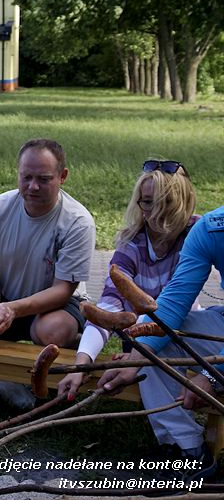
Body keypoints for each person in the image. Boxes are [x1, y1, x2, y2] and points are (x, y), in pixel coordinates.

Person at [97, 200, 224, 473]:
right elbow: (174, 302)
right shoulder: (212, 229)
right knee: (157, 339)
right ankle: (187, 452)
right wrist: (136, 358)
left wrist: (215, 376)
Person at [58, 160, 198, 400]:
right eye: (147, 202)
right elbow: (109, 307)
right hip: (138, 337)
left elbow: (178, 307)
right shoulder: (131, 243)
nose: (156, 212)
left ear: (183, 201)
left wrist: (136, 357)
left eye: (166, 202)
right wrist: (81, 363)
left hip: (184, 335)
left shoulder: (196, 235)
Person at [0, 138, 96, 348]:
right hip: (5, 296)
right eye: (26, 177)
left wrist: (13, 309)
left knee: (51, 332)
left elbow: (62, 290)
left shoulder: (77, 222)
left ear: (63, 176)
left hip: (58, 304)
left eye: (44, 179)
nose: (33, 186)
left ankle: (75, 339)